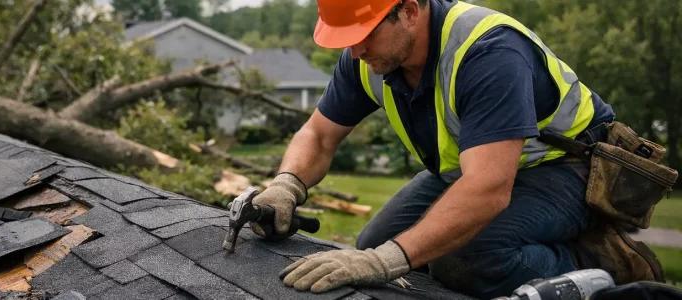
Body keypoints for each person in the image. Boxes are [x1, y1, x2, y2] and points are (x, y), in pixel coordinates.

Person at [249, 0, 666, 298]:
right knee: (376, 241)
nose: (355, 50)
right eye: (347, 39)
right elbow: (319, 135)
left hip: (567, 167)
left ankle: (590, 274)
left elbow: (488, 188)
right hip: (474, 170)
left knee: (462, 258)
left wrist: (387, 262)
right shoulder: (366, 57)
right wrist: (286, 185)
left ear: (409, 11)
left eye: (364, 35)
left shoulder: (488, 52)